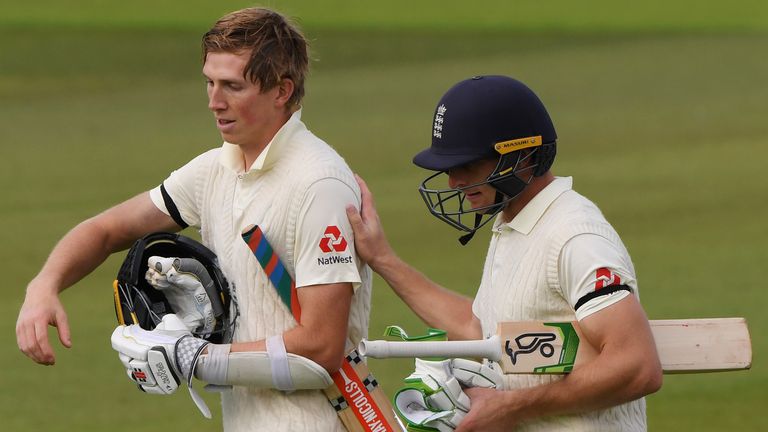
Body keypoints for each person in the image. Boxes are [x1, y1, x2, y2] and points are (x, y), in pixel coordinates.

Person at [16, 7, 370, 431]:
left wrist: (197, 358)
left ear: (281, 90)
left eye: (232, 87)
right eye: (210, 82)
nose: (214, 102)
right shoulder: (215, 171)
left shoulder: (319, 185)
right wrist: (45, 284)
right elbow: (108, 229)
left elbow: (322, 346)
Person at [346, 75, 662, 431]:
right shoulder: (515, 224)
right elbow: (478, 329)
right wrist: (382, 258)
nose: (453, 182)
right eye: (450, 168)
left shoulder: (576, 236)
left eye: (468, 165)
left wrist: (509, 407)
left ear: (522, 158)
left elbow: (638, 365)